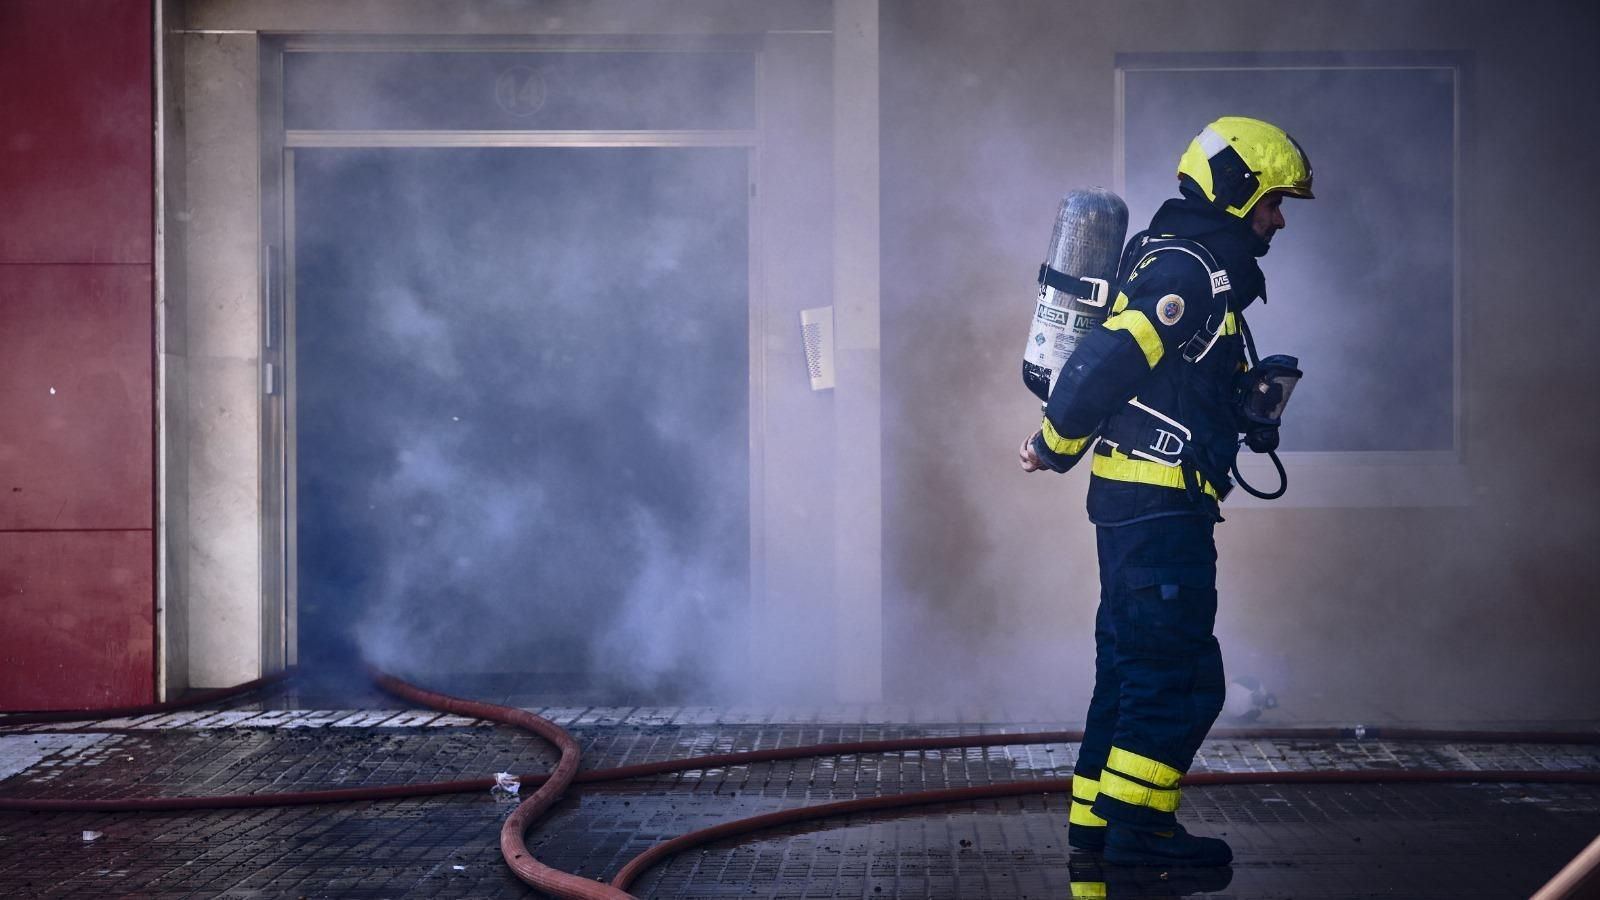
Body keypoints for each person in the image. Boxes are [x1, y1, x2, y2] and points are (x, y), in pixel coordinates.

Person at [1018, 116, 1314, 867]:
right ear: (1239, 189)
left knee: (1128, 676)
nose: (1278, 219)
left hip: (1140, 503)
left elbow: (1164, 378)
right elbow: (1106, 362)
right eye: (1274, 202)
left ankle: (1095, 836)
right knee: (1177, 681)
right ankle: (1138, 838)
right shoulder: (1188, 273)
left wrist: (1242, 399)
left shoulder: (1180, 263)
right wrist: (1053, 446)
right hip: (1157, 508)